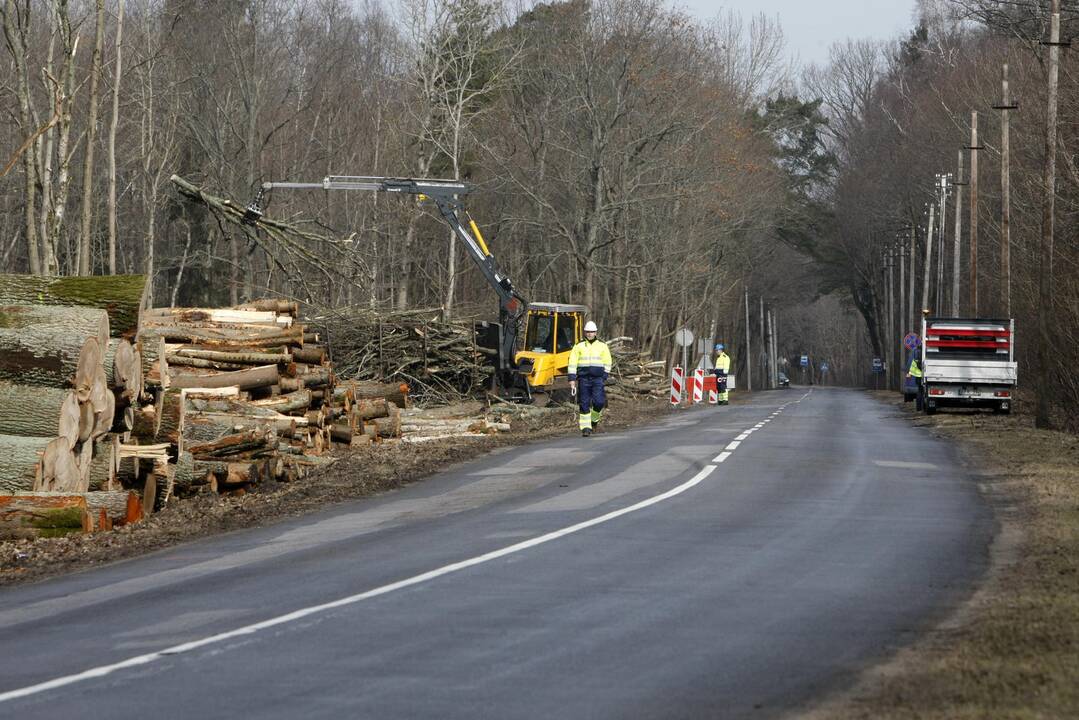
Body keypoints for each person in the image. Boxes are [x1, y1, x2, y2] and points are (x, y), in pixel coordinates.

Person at [568, 320, 612, 437]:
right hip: (583, 379)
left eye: (592, 332)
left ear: (596, 332)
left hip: (598, 379)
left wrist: (604, 376)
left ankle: (594, 420)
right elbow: (572, 363)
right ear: (585, 332)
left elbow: (608, 362)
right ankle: (586, 428)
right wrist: (572, 379)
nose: (589, 334)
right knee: (584, 403)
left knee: (599, 402)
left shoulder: (602, 345)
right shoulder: (578, 346)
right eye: (587, 332)